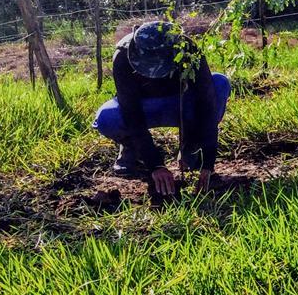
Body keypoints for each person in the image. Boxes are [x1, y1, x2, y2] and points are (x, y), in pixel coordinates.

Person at [92, 21, 230, 195]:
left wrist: (208, 163)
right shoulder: (123, 55)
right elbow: (131, 112)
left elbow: (207, 104)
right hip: (145, 107)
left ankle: (192, 144)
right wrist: (155, 164)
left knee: (219, 83)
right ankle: (132, 148)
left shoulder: (188, 49)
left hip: (181, 103)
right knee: (107, 118)